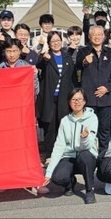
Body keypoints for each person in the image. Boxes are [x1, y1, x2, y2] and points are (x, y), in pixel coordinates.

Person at [0, 38, 44, 196]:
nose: (11, 54)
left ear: (20, 52)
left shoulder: (27, 68)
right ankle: (2, 181)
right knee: (4, 149)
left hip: (24, 114)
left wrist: (33, 76)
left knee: (28, 148)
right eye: (8, 51)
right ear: (4, 52)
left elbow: (35, 93)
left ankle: (34, 182)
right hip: (5, 115)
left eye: (14, 51)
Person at [43, 89, 98, 204]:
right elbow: (59, 146)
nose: (76, 102)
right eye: (73, 99)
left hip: (85, 155)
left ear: (84, 102)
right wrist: (48, 173)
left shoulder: (92, 118)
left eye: (79, 99)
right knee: (57, 177)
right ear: (69, 102)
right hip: (69, 156)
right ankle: (70, 183)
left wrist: (84, 138)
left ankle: (89, 190)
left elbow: (88, 146)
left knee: (86, 157)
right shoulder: (64, 121)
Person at [75, 26, 111, 152]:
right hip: (89, 98)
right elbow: (77, 67)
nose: (97, 36)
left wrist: (107, 88)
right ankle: (89, 155)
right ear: (89, 37)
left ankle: (104, 156)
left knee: (105, 130)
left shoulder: (110, 52)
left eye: (100, 34)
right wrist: (85, 62)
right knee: (88, 129)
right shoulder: (83, 51)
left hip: (106, 98)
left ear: (104, 36)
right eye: (94, 34)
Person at [36, 32, 75, 160]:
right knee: (49, 126)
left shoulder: (67, 57)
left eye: (58, 40)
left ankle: (63, 151)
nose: (56, 43)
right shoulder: (47, 57)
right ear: (49, 43)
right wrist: (44, 58)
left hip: (64, 96)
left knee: (62, 124)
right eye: (53, 41)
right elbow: (39, 64)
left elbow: (72, 76)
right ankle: (49, 152)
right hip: (49, 97)